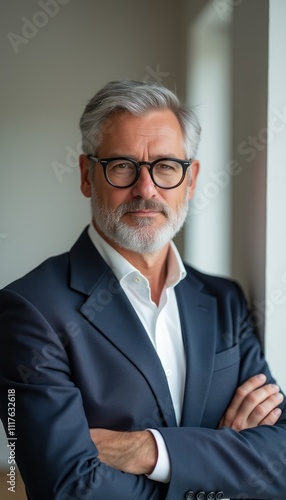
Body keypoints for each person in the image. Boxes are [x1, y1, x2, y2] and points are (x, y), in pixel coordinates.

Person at [0, 80, 285, 500]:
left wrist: (151, 450)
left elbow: (280, 460)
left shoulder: (224, 300)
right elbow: (67, 489)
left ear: (191, 180)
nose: (146, 189)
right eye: (122, 166)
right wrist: (222, 467)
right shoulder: (29, 309)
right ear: (86, 175)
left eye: (166, 166)